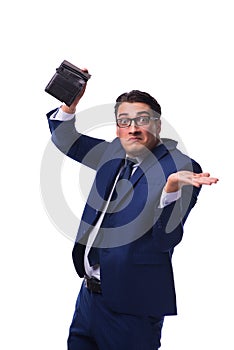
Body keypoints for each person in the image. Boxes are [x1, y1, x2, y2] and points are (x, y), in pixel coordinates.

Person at [46, 74, 218, 350]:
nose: (133, 128)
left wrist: (170, 190)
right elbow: (68, 141)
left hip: (133, 309)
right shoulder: (114, 152)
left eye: (142, 119)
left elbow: (166, 240)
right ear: (117, 128)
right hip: (89, 299)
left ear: (158, 125)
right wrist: (69, 105)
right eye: (125, 121)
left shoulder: (180, 167)